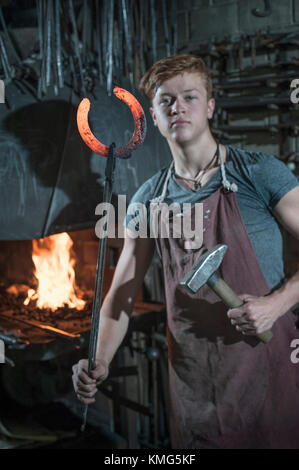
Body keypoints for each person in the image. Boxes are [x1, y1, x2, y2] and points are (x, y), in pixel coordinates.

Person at [72, 54, 299, 449]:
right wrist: (101, 357)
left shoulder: (258, 172)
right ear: (154, 119)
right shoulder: (148, 200)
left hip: (267, 369)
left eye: (189, 97)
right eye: (165, 101)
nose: (177, 107)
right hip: (194, 383)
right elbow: (121, 296)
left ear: (210, 107)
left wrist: (277, 304)